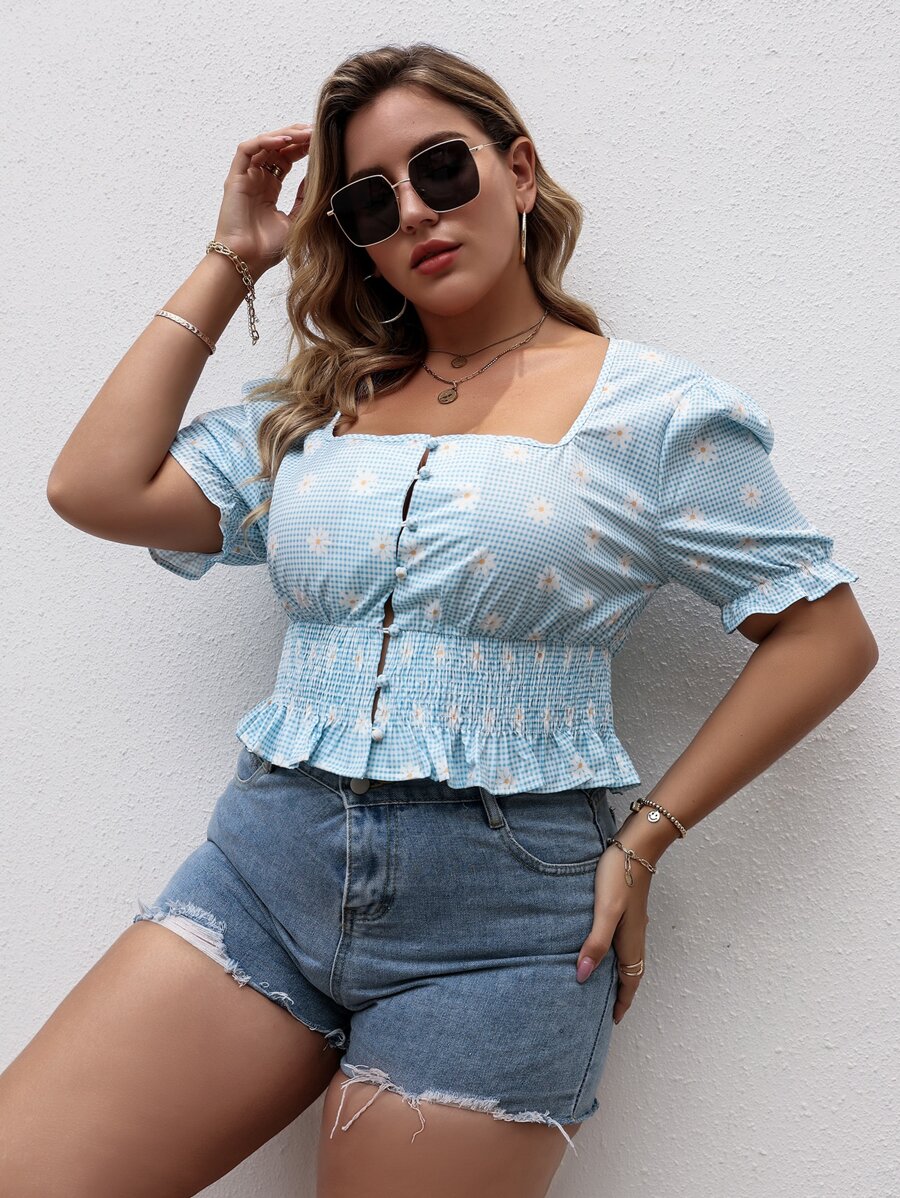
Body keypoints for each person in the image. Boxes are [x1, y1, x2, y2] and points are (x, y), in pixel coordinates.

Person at [2, 41, 877, 1198]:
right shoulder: (322, 411)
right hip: (265, 870)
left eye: (442, 169)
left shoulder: (655, 413)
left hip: (507, 921)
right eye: (370, 202)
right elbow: (95, 486)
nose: (414, 210)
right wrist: (235, 257)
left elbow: (826, 633)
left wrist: (648, 835)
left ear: (519, 170)